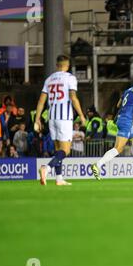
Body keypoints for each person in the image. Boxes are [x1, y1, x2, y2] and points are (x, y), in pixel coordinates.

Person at [35, 54, 87, 186]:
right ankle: (46, 168)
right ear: (67, 65)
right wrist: (81, 115)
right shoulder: (70, 78)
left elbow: (41, 100)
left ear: (57, 65)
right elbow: (73, 97)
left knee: (58, 149)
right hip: (64, 118)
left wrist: (37, 119)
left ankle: (59, 178)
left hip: (51, 117)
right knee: (66, 150)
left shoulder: (49, 79)